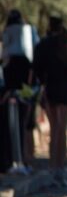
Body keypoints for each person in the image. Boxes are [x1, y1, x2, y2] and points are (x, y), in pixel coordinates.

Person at [33, 15, 67, 187]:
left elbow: (37, 67)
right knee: (62, 129)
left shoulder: (44, 45)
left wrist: (43, 80)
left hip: (50, 90)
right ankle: (60, 168)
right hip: (66, 90)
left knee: (54, 128)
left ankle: (52, 166)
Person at [1, 9, 40, 172]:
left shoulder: (9, 58)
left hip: (14, 89)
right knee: (22, 125)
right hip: (22, 90)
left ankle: (17, 159)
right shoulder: (24, 59)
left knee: (18, 126)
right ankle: (21, 159)